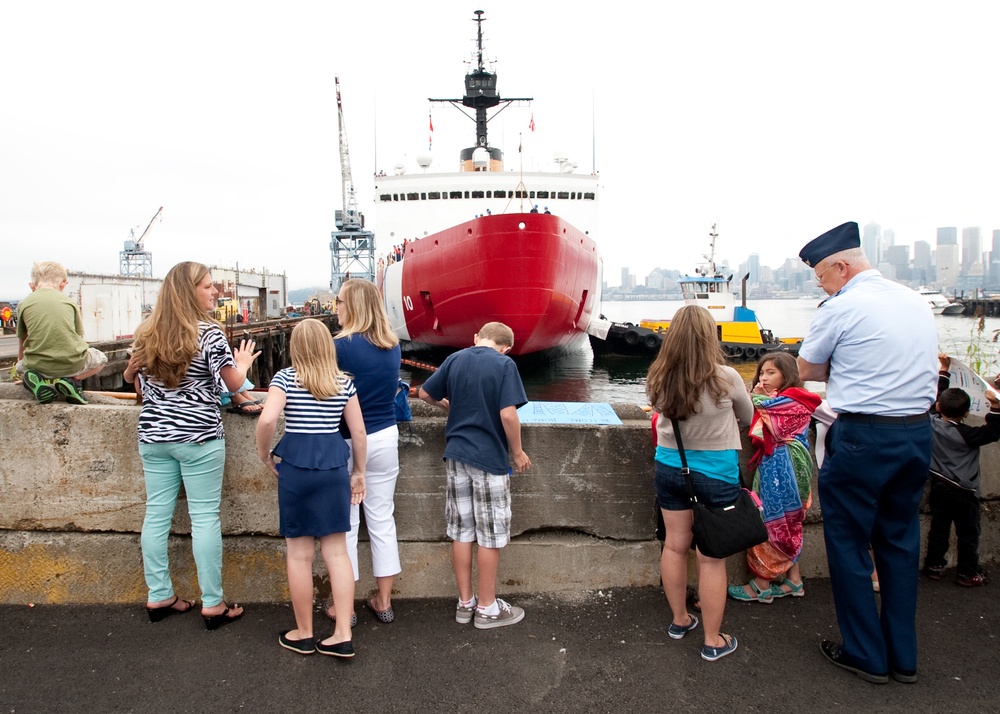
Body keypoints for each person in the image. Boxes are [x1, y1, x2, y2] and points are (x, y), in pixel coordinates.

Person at [797, 221, 937, 684]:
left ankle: (865, 654)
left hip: (862, 436)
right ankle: (904, 656)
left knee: (849, 541)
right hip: (916, 434)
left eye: (821, 275)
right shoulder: (915, 301)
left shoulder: (843, 307)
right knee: (899, 541)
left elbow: (807, 368)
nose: (821, 284)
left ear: (841, 266)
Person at [123, 261, 260, 630]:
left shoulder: (145, 333)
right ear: (188, 291)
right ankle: (213, 604)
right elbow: (233, 384)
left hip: (153, 436)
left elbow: (139, 386)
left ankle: (159, 595)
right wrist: (243, 362)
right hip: (198, 436)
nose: (214, 292)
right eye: (207, 286)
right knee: (203, 519)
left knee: (156, 516)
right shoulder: (209, 334)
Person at [647, 305, 753, 662]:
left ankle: (680, 620)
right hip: (715, 473)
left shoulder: (659, 376)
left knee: (675, 546)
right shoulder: (726, 377)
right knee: (710, 558)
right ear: (711, 336)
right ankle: (712, 640)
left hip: (669, 466)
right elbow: (747, 416)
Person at [256, 318, 367, 657]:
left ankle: (304, 633)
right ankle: (342, 634)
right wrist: (359, 472)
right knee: (337, 552)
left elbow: (267, 419)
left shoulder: (285, 378)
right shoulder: (343, 382)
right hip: (333, 465)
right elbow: (359, 434)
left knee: (300, 554)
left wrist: (265, 455)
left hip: (297, 466)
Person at [418, 322, 531, 629]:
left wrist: (449, 406)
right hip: (489, 458)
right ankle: (487, 607)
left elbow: (425, 393)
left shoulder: (456, 358)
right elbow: (508, 414)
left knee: (462, 530)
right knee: (490, 535)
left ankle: (465, 602)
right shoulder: (505, 364)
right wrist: (518, 452)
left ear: (476, 338)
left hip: (456, 454)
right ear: (506, 347)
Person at [327, 278, 402, 626]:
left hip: (347, 442)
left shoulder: (338, 347)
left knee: (347, 525)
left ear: (352, 305)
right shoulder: (392, 345)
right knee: (382, 520)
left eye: (339, 301)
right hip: (386, 437)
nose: (335, 307)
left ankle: (346, 607)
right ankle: (383, 601)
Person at [728, 352, 820, 603]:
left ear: (787, 375)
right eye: (762, 372)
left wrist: (755, 396)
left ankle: (762, 583)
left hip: (782, 465)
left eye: (772, 373)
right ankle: (794, 580)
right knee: (790, 521)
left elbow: (760, 418)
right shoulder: (792, 399)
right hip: (791, 464)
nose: (764, 377)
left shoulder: (789, 401)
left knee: (772, 519)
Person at [922, 353, 1000, 587]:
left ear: (938, 407)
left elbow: (937, 396)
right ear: (967, 413)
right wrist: (995, 405)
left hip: (939, 485)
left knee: (939, 528)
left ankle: (933, 566)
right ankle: (967, 573)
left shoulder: (931, 422)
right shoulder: (968, 435)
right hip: (964, 491)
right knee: (968, 534)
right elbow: (993, 432)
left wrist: (944, 369)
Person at [15, 261, 108, 404]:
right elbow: (78, 336)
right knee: (101, 359)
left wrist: (22, 371)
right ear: (63, 284)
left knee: (22, 366)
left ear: (32, 284)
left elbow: (23, 339)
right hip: (72, 365)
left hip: (38, 365)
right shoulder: (70, 302)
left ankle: (35, 380)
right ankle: (71, 381)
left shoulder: (24, 303)